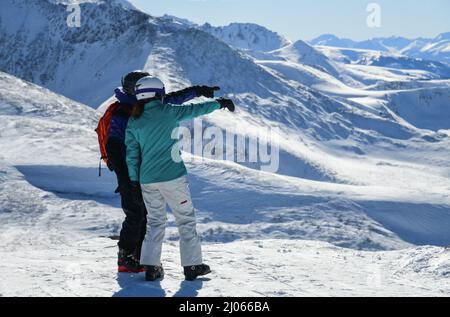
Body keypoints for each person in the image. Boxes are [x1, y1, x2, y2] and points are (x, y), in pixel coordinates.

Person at [106, 70, 220, 273]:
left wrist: (198, 90)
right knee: (146, 215)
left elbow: (175, 98)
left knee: (152, 220)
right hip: (157, 175)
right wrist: (127, 180)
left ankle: (147, 263)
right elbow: (114, 146)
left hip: (143, 176)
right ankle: (129, 258)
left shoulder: (140, 111)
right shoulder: (125, 111)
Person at [125, 76, 235, 281]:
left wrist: (133, 180)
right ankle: (192, 266)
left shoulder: (134, 120)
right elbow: (196, 110)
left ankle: (151, 267)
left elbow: (132, 154)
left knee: (155, 222)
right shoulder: (169, 112)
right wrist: (220, 103)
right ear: (157, 93)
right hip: (172, 177)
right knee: (185, 220)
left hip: (146, 180)